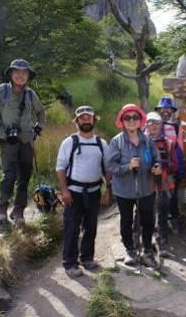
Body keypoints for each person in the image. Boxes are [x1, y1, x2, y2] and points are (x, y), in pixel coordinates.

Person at [0, 59, 46, 225]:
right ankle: (1, 207)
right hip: (7, 140)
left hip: (27, 140)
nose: (20, 76)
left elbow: (41, 112)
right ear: (10, 74)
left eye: (24, 73)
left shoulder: (31, 94)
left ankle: (19, 210)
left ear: (28, 76)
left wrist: (38, 127)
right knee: (8, 174)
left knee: (24, 176)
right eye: (16, 72)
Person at [56, 106, 112, 278]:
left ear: (94, 120)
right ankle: (70, 263)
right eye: (82, 118)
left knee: (91, 227)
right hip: (73, 192)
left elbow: (107, 168)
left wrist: (108, 189)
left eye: (89, 118)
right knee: (71, 228)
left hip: (94, 191)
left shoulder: (101, 143)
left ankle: (87, 258)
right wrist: (64, 190)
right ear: (77, 121)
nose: (86, 120)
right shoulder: (69, 142)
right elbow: (60, 167)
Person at [107, 104, 162, 268]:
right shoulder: (117, 142)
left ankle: (147, 251)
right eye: (127, 118)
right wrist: (127, 167)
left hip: (146, 189)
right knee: (126, 221)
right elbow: (110, 166)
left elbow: (157, 159)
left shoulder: (148, 141)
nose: (131, 121)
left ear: (140, 121)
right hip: (124, 191)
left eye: (135, 117)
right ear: (122, 121)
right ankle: (130, 251)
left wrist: (157, 167)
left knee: (147, 221)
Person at [145, 111, 178, 257]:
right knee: (144, 215)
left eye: (156, 123)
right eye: (150, 122)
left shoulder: (168, 143)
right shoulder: (140, 142)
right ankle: (143, 243)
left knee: (163, 216)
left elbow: (175, 165)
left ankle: (162, 245)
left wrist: (163, 167)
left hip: (163, 185)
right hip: (145, 185)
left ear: (161, 125)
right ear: (146, 124)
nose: (153, 126)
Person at [154, 96, 185, 234]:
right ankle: (154, 224)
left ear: (172, 111)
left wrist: (178, 169)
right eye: (163, 109)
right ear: (159, 110)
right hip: (153, 168)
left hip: (170, 168)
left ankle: (173, 223)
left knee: (172, 197)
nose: (165, 111)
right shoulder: (151, 125)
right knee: (153, 197)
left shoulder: (177, 128)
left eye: (168, 109)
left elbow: (180, 149)